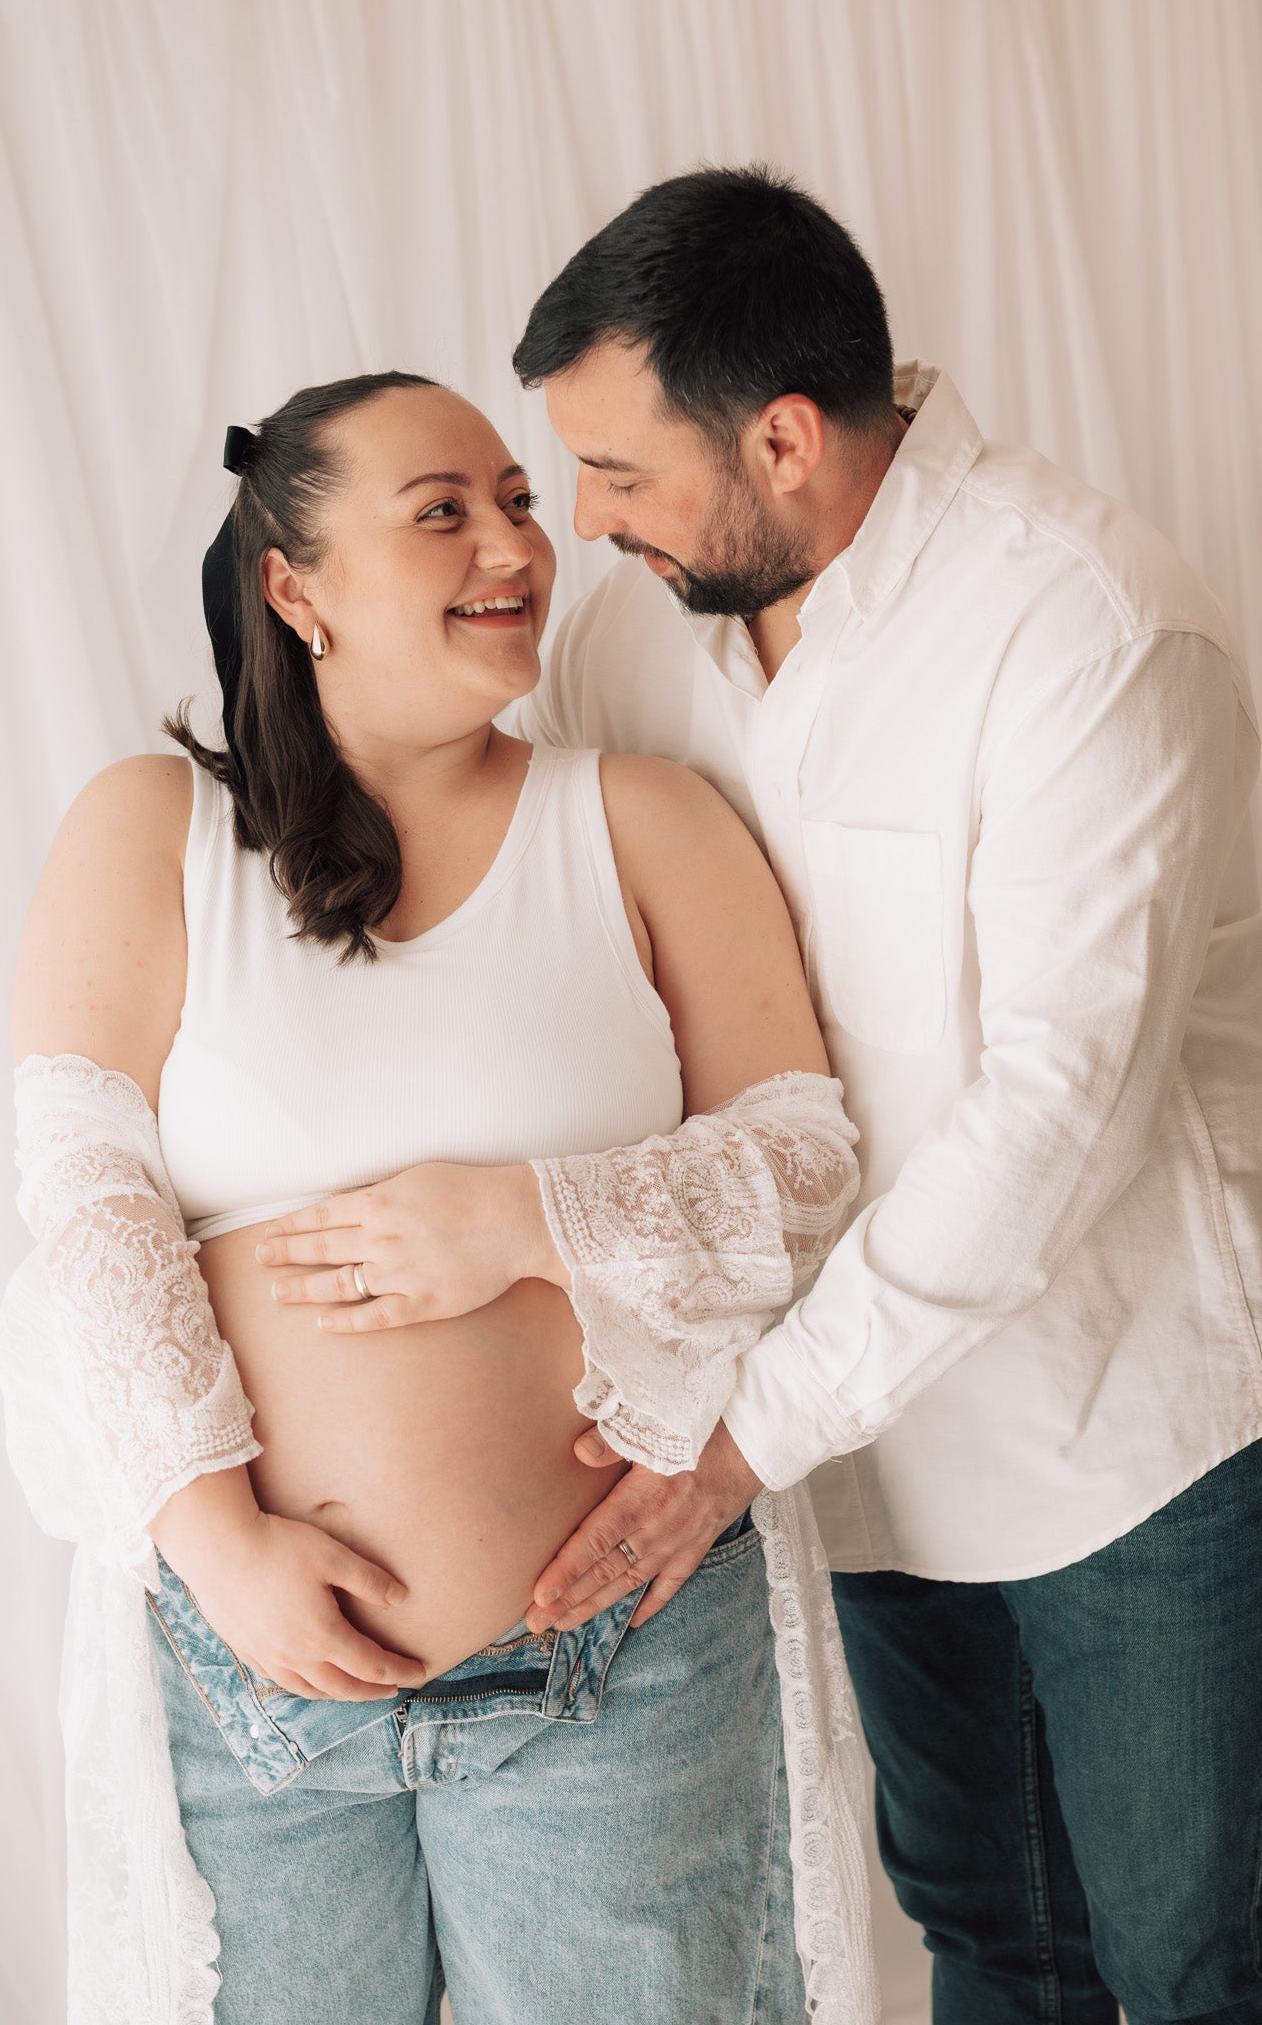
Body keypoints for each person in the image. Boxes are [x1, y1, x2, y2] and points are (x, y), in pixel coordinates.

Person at [0, 371, 879, 2023]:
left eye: (519, 498)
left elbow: (809, 1170)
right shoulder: (151, 830)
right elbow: (89, 1215)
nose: (513, 540)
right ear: (293, 585)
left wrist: (523, 1217)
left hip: (623, 1653)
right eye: (443, 510)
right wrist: (218, 1537)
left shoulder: (638, 819)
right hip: (249, 1671)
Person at [481, 163, 1262, 2025]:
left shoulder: (1078, 620)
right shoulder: (628, 646)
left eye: (620, 473)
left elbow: (1052, 1113)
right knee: (988, 1943)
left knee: (1192, 1966)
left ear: (781, 437)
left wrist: (736, 1441)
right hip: (852, 1464)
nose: (582, 527)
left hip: (1122, 1436)